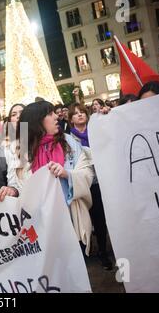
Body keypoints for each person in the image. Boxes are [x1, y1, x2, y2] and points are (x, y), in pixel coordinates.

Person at [16, 101, 96, 256]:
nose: (56, 117)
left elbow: (87, 173)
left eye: (55, 113)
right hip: (43, 224)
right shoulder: (23, 152)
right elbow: (21, 187)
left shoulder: (68, 142)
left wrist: (67, 174)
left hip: (71, 217)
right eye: (50, 113)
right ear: (37, 121)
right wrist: (13, 190)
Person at [68, 104, 114, 270]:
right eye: (76, 113)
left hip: (105, 180)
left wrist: (106, 115)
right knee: (89, 219)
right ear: (71, 119)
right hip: (85, 184)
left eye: (82, 112)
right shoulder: (69, 139)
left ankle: (104, 250)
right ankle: (91, 251)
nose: (79, 115)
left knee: (103, 218)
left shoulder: (97, 129)